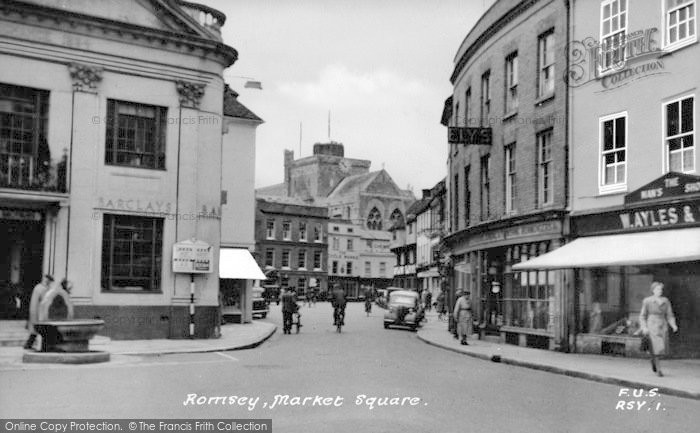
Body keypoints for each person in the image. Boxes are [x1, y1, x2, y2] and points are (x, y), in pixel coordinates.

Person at [640, 281, 678, 377]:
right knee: (657, 347)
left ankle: (653, 359)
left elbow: (670, 315)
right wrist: (644, 327)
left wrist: (673, 325)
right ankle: (659, 370)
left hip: (662, 325)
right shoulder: (647, 301)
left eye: (661, 289)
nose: (660, 291)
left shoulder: (665, 301)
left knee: (661, 348)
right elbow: (642, 316)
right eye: (657, 289)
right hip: (652, 325)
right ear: (653, 290)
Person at [24, 274, 54, 350]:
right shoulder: (43, 289)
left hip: (35, 311)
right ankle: (37, 346)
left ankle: (29, 345)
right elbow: (45, 301)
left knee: (35, 331)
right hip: (38, 312)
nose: (49, 283)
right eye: (49, 281)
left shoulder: (38, 287)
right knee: (40, 330)